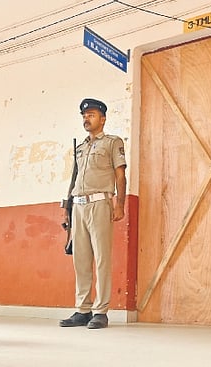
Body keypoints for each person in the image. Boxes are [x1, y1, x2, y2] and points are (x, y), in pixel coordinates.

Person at [60, 98, 127, 329]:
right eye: (84, 116)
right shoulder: (80, 147)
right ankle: (83, 309)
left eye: (91, 115)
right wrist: (67, 208)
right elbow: (74, 179)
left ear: (103, 118)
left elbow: (120, 175)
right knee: (81, 259)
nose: (86, 119)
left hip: (100, 203)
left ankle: (101, 311)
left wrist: (120, 204)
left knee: (101, 258)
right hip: (78, 205)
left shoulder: (112, 142)